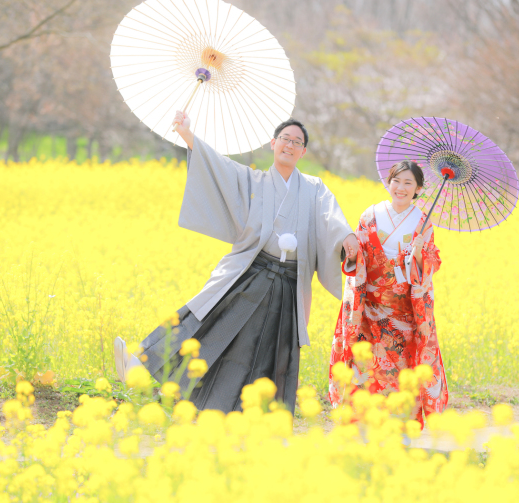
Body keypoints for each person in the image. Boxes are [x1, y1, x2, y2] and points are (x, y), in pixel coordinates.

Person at [114, 111, 358, 414]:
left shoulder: (315, 188)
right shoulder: (252, 179)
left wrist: (346, 235)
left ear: (303, 151)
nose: (290, 145)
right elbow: (218, 166)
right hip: (250, 273)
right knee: (205, 322)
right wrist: (188, 135)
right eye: (285, 139)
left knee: (264, 349)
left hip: (289, 284)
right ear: (273, 143)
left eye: (297, 142)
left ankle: (250, 412)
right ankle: (141, 365)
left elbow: (330, 215)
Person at [329, 160, 448, 425]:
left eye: (408, 183)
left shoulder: (422, 222)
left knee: (400, 368)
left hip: (402, 311)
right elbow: (356, 255)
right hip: (369, 307)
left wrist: (419, 254)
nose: (401, 188)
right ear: (388, 182)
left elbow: (432, 263)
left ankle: (399, 422)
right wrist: (352, 253)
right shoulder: (370, 215)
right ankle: (362, 420)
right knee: (365, 363)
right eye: (396, 180)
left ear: (418, 188)